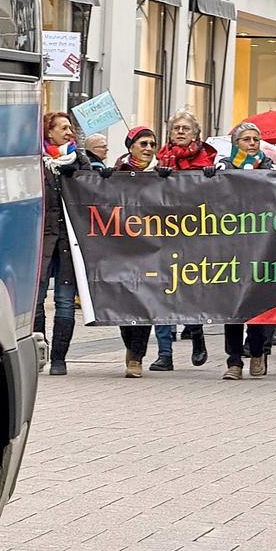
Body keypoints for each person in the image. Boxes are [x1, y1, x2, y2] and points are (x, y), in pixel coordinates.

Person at [217, 121, 276, 379]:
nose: (252, 144)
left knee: (259, 304)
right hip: (234, 244)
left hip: (263, 244)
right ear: (235, 144)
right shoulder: (225, 168)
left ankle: (258, 351)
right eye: (246, 139)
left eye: (255, 139)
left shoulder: (270, 168)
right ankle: (234, 360)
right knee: (234, 305)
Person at [148, 110, 215, 372]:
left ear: (196, 134)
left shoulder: (207, 159)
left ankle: (196, 333)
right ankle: (165, 353)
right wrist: (156, 177)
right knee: (161, 292)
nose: (180, 132)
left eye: (186, 128)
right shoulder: (159, 158)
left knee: (190, 291)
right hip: (164, 235)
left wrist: (210, 178)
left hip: (195, 235)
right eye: (176, 128)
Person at [111, 126, 168, 377]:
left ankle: (136, 357)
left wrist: (169, 180)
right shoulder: (116, 174)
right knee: (124, 302)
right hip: (122, 248)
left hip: (152, 248)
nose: (148, 148)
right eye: (143, 143)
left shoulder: (163, 174)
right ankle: (129, 345)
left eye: (152, 144)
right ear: (131, 146)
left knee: (145, 302)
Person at [36, 112, 90, 375]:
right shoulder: (35, 162)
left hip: (69, 244)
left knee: (65, 300)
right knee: (36, 299)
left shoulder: (79, 160)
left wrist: (78, 172)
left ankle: (59, 358)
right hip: (41, 243)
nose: (69, 132)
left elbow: (94, 192)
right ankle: (39, 350)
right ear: (49, 132)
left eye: (70, 127)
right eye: (64, 128)